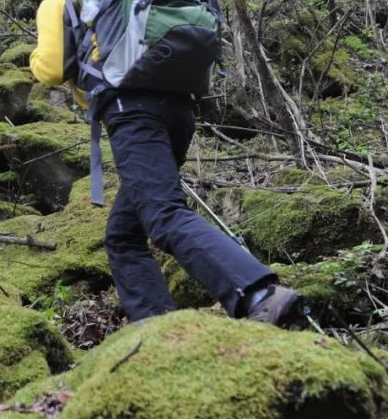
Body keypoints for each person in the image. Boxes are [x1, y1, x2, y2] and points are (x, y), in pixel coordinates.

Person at [100, 90, 303, 327]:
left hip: (133, 113)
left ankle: (260, 295)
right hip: (179, 111)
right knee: (123, 236)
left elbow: (49, 70)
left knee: (165, 214)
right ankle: (155, 328)